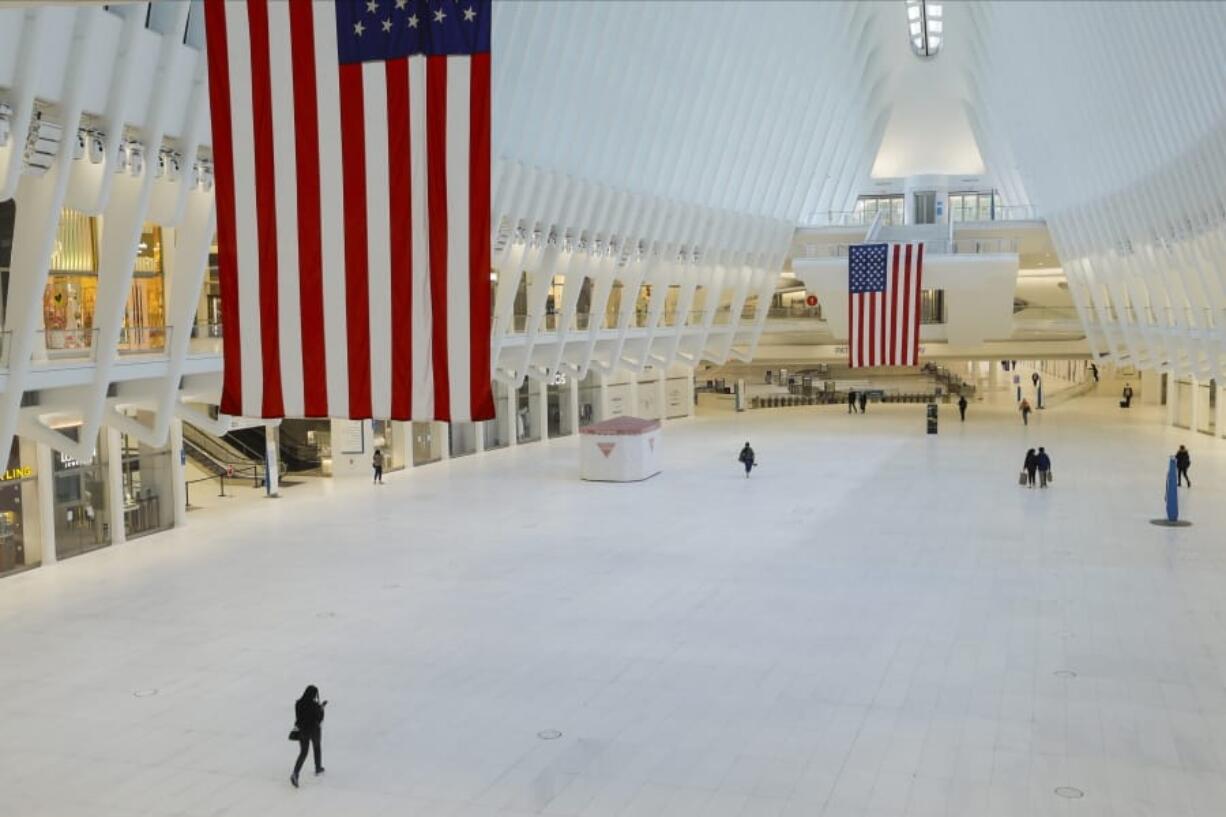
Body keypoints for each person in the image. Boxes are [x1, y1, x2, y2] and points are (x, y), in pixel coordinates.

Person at [291, 685, 327, 788]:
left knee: (303, 752)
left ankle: (295, 773)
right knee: (317, 747)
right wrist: (321, 709)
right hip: (314, 730)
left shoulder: (298, 703)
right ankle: (318, 768)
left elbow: (299, 716)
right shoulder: (314, 705)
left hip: (302, 731)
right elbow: (320, 718)